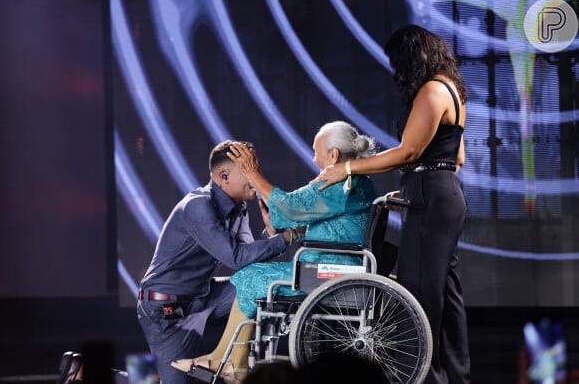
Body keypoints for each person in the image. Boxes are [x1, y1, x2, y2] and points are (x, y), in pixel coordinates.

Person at [311, 25, 470, 383]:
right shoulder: (453, 90)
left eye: (398, 63)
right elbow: (456, 157)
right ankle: (454, 377)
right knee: (445, 292)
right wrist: (417, 185)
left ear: (414, 56)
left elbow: (408, 152)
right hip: (442, 193)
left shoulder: (431, 91)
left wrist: (346, 168)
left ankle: (422, 376)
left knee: (418, 293)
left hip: (432, 196)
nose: (396, 72)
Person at [171, 121, 378, 383]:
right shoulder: (352, 182)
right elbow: (293, 211)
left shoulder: (341, 184)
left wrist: (252, 172)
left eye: (316, 152)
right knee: (252, 274)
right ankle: (229, 360)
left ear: (333, 154)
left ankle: (229, 361)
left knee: (249, 275)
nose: (314, 158)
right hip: (329, 265)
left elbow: (291, 207)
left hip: (329, 272)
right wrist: (278, 222)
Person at [137, 140, 295, 384]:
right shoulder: (198, 206)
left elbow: (246, 258)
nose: (256, 175)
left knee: (254, 282)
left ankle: (234, 362)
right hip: (166, 310)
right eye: (249, 168)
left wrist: (271, 232)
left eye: (257, 166)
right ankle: (89, 371)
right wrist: (285, 238)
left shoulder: (238, 207)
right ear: (224, 176)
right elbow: (235, 257)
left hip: (204, 296)